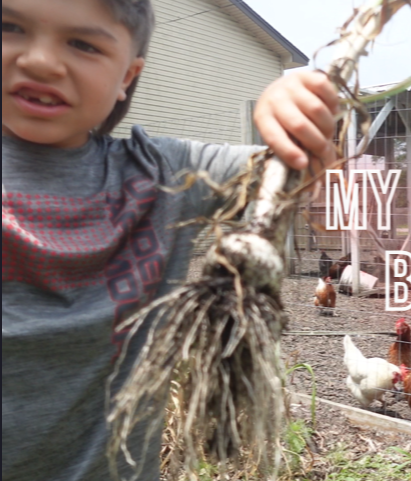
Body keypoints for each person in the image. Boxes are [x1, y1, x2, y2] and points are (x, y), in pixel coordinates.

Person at [1, 0, 339, 479]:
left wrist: (293, 111)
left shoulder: (161, 174)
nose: (39, 60)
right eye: (10, 26)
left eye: (82, 43)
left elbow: (295, 173)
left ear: (127, 76)